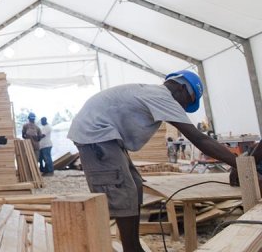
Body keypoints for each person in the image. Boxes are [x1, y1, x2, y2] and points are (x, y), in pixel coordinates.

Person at [67, 70, 238, 252]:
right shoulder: (163, 98)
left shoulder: (153, 93)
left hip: (103, 134)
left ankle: (132, 245)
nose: (182, 109)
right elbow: (199, 139)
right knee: (120, 190)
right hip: (95, 135)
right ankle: (131, 248)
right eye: (187, 103)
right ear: (181, 88)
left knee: (135, 184)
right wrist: (239, 163)